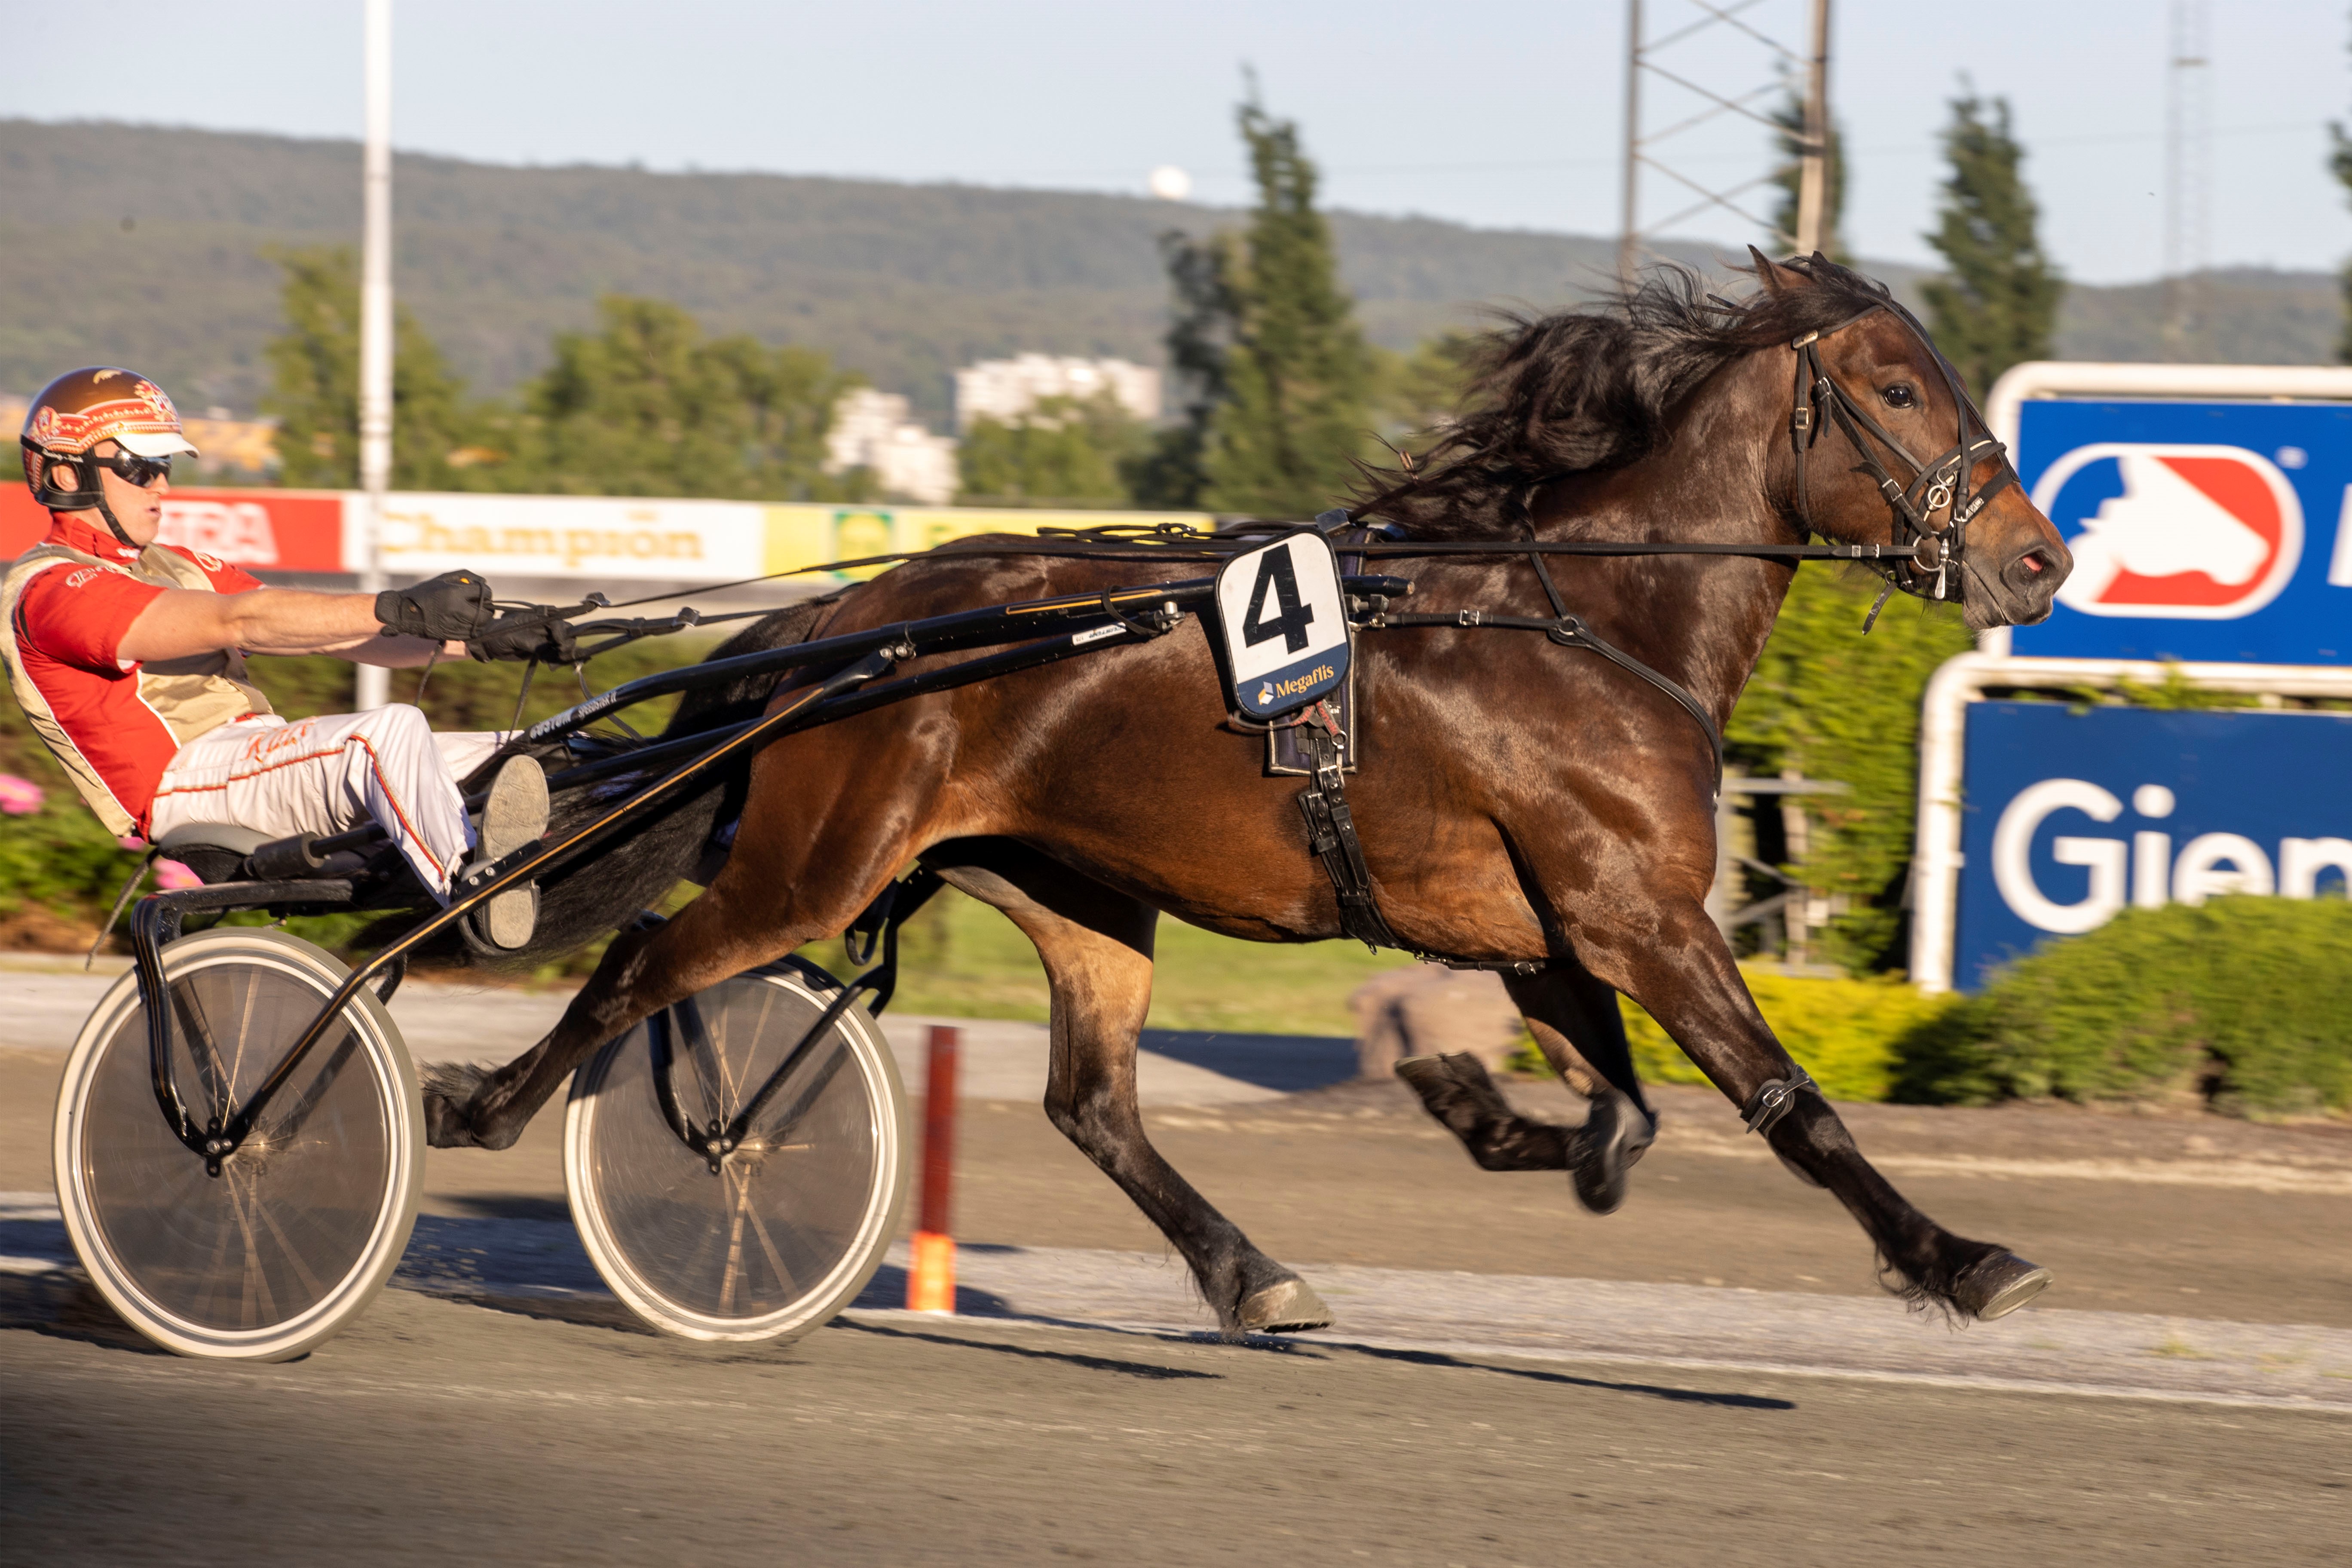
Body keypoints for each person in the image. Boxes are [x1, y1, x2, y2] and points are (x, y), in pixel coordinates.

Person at [0, 366, 567, 949]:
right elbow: (242, 619)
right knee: (387, 732)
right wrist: (399, 606)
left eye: (164, 467)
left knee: (543, 746)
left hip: (258, 760)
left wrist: (485, 640)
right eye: (139, 468)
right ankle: (473, 899)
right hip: (184, 784)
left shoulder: (180, 565)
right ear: (68, 474)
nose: (162, 487)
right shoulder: (52, 591)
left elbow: (332, 635)